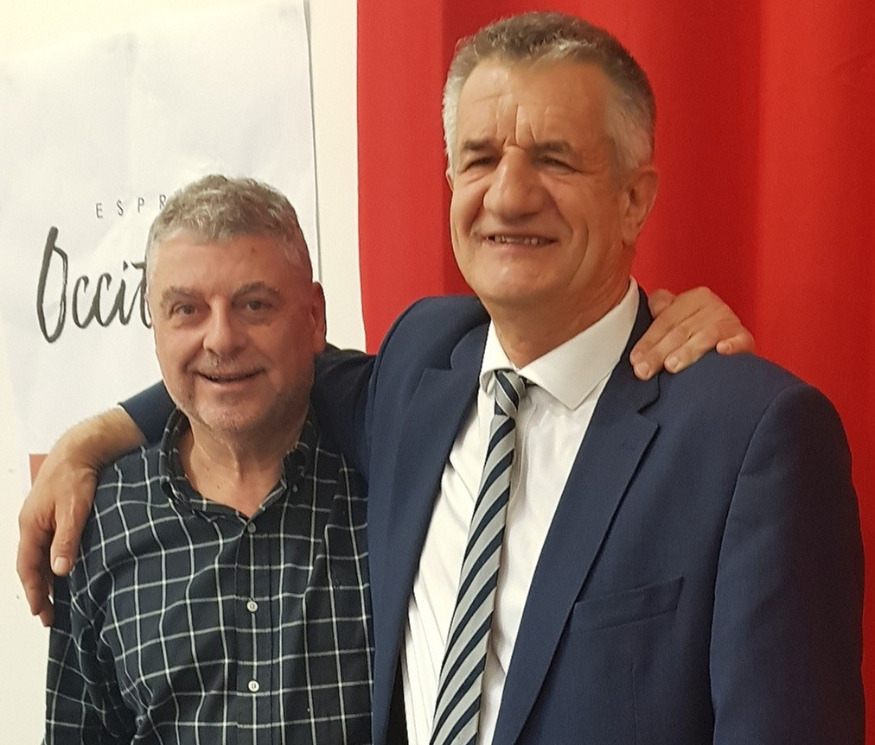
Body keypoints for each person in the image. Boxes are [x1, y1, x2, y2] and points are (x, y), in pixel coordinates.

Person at [18, 14, 766, 745]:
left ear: (633, 199)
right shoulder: (419, 367)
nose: (509, 195)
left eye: (555, 158)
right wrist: (91, 438)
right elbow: (238, 378)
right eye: (480, 158)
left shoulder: (737, 435)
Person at [43, 176, 373, 743]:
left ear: (314, 316)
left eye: (254, 305)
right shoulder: (100, 521)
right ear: (155, 327)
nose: (221, 339)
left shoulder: (390, 484)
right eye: (187, 310)